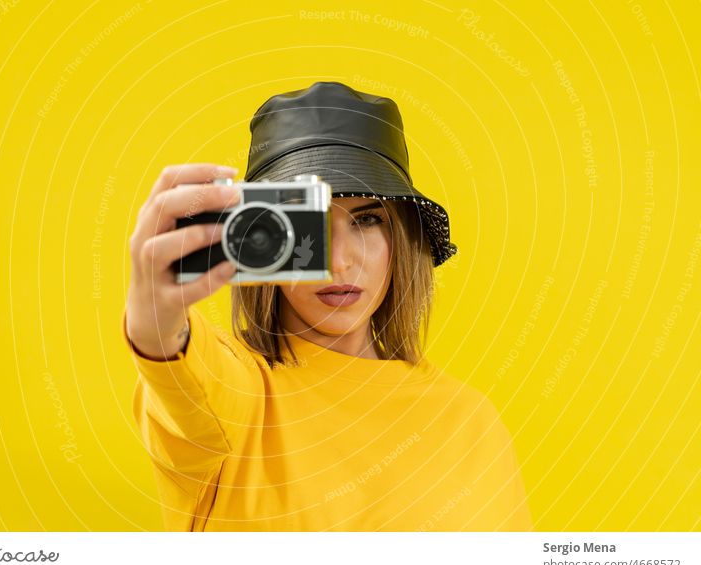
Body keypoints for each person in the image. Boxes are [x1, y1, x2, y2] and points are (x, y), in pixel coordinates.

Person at [123, 81, 533, 531]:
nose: (339, 262)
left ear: (404, 238)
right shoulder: (237, 394)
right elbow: (177, 367)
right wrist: (154, 313)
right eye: (310, 227)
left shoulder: (470, 422)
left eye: (368, 219)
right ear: (262, 237)